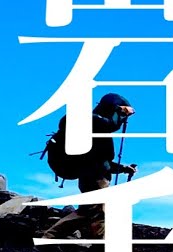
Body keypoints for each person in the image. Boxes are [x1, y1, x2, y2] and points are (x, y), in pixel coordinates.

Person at [40, 93, 138, 240]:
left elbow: (101, 160)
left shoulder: (96, 128)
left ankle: (48, 239)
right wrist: (122, 112)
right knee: (100, 213)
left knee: (87, 212)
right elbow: (110, 126)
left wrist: (123, 169)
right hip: (94, 178)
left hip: (91, 175)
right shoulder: (90, 121)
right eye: (120, 111)